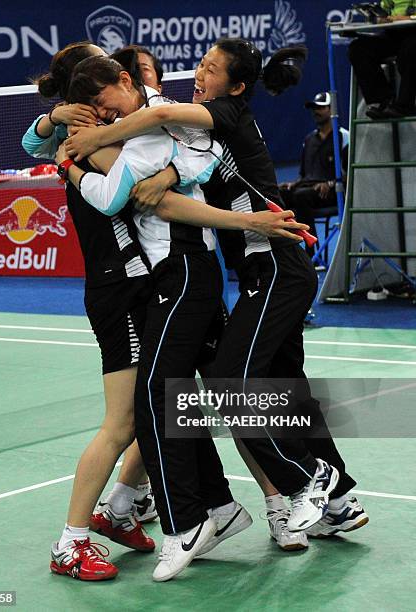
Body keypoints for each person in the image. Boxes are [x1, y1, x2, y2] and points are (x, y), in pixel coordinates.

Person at [66, 38, 369, 547]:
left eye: (210, 68)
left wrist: (95, 140)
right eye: (200, 65)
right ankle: (337, 502)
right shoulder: (193, 131)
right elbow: (178, 162)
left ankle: (311, 480)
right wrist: (72, 132)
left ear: (236, 85)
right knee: (285, 388)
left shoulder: (222, 112)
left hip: (275, 264)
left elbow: (148, 121)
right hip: (255, 274)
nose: (199, 74)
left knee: (232, 380)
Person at [22, 41, 160, 583]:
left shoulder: (103, 130)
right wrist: (57, 116)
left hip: (142, 283)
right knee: (122, 420)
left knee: (170, 398)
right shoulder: (79, 140)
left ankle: (122, 508)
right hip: (116, 288)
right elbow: (34, 139)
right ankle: (70, 543)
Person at [279, 91, 349, 256]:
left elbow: (351, 174)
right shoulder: (309, 140)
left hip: (333, 192)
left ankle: (310, 252)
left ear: (332, 110)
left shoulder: (344, 137)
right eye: (314, 108)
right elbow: (305, 175)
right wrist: (293, 184)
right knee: (278, 194)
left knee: (302, 196)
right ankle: (287, 253)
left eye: (321, 107)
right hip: (308, 189)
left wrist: (331, 183)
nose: (316, 111)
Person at [348, 0, 416, 119]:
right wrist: (381, 17)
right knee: (358, 49)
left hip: (413, 34)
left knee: (411, 49)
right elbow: (386, 10)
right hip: (394, 32)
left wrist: (404, 18)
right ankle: (384, 102)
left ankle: (405, 105)